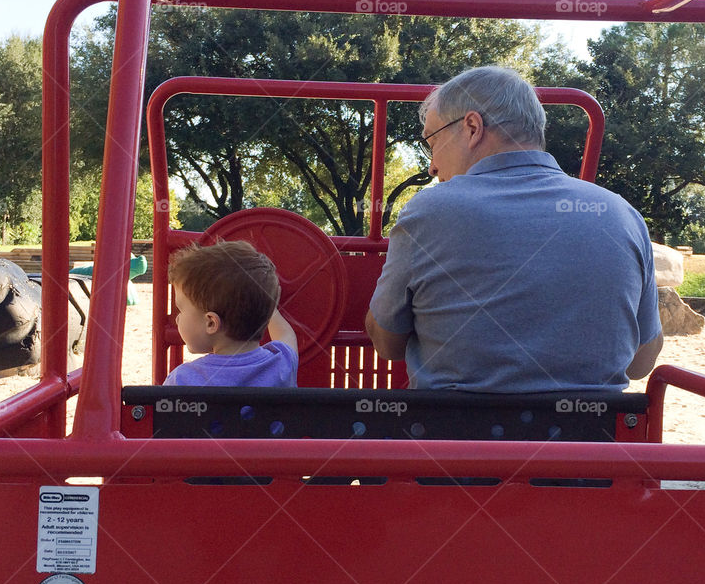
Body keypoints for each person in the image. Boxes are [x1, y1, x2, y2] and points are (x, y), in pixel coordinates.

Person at [365, 66, 662, 392]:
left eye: (432, 142)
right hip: (592, 439)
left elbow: (388, 345)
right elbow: (641, 362)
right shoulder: (621, 214)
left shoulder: (428, 212)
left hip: (451, 438)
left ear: (472, 127)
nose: (432, 165)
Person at [164, 240, 299, 387]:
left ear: (211, 322)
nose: (177, 319)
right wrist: (270, 306)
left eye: (181, 310)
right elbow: (286, 335)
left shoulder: (182, 380)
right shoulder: (282, 363)